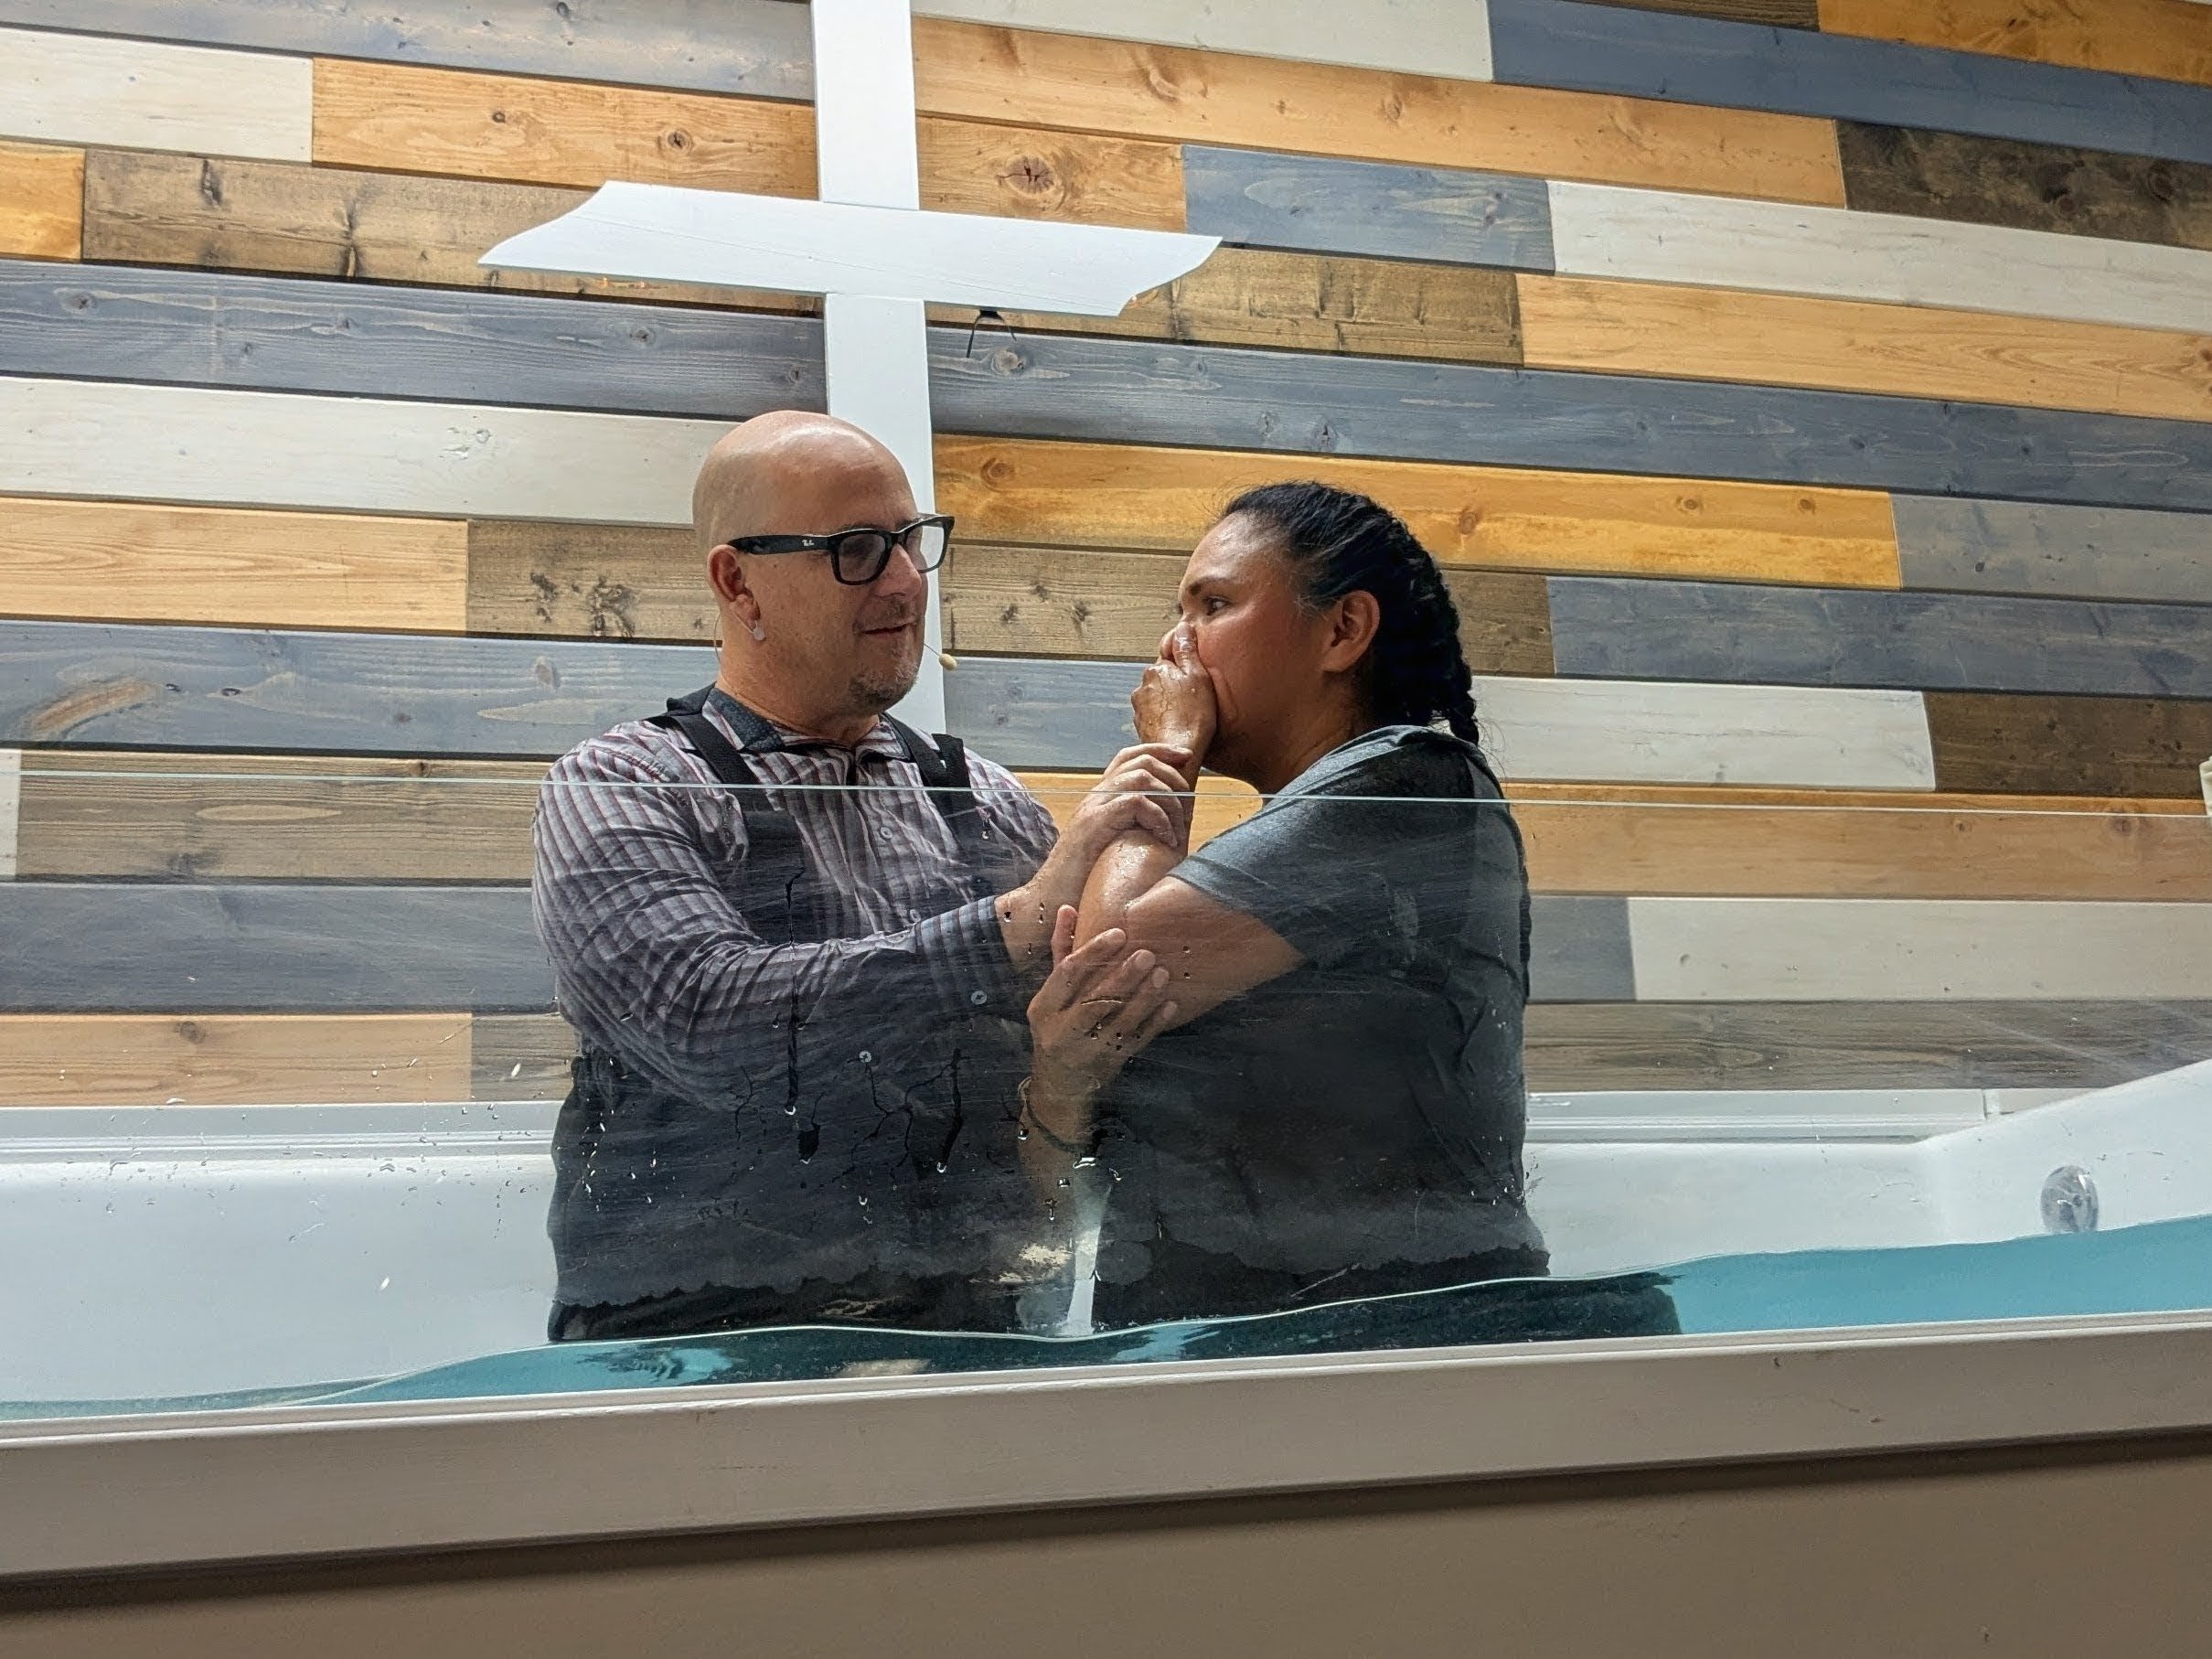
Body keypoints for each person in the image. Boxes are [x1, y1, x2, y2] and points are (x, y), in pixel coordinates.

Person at [531, 411, 1189, 1341]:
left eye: (911, 540)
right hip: (700, 1351)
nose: (904, 579)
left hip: (966, 1332)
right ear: (735, 580)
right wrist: (1010, 926)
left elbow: (1093, 1046)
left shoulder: (984, 800)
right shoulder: (628, 783)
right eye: (856, 549)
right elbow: (703, 1022)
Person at [1019, 481, 1547, 1327]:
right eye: (1179, 612)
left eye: (1214, 605)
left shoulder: (1410, 783)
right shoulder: (1332, 825)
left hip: (1388, 1348)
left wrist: (1169, 751)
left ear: (1342, 631)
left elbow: (1104, 962)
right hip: (1259, 1350)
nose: (1175, 644)